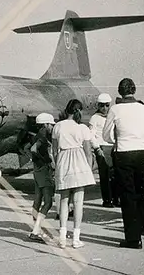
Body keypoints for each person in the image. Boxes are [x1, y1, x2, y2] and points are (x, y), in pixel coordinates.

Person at [102, 78, 144, 249]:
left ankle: (132, 238)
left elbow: (106, 134)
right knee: (139, 192)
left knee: (127, 195)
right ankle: (140, 231)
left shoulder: (115, 109)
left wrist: (116, 141)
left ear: (120, 92)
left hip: (124, 153)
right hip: (141, 152)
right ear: (134, 90)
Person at [52, 99, 96, 249]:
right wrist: (88, 170)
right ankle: (76, 239)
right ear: (79, 111)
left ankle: (62, 238)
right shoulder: (83, 128)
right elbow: (88, 152)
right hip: (79, 163)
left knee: (64, 201)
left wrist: (59, 165)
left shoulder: (57, 126)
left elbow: (54, 150)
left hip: (63, 160)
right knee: (78, 203)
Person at [28, 113, 56, 242]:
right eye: (51, 124)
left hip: (36, 169)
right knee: (48, 201)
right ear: (45, 124)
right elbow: (34, 149)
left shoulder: (36, 136)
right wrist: (46, 160)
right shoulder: (43, 137)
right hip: (44, 170)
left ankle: (36, 227)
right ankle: (35, 230)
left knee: (37, 199)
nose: (52, 127)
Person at [89, 93, 119, 208]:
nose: (105, 108)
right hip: (101, 148)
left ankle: (116, 199)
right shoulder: (95, 118)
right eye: (102, 106)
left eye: (107, 105)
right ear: (98, 105)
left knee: (115, 175)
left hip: (113, 147)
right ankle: (107, 200)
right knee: (105, 176)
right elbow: (91, 135)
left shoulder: (112, 116)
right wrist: (97, 148)